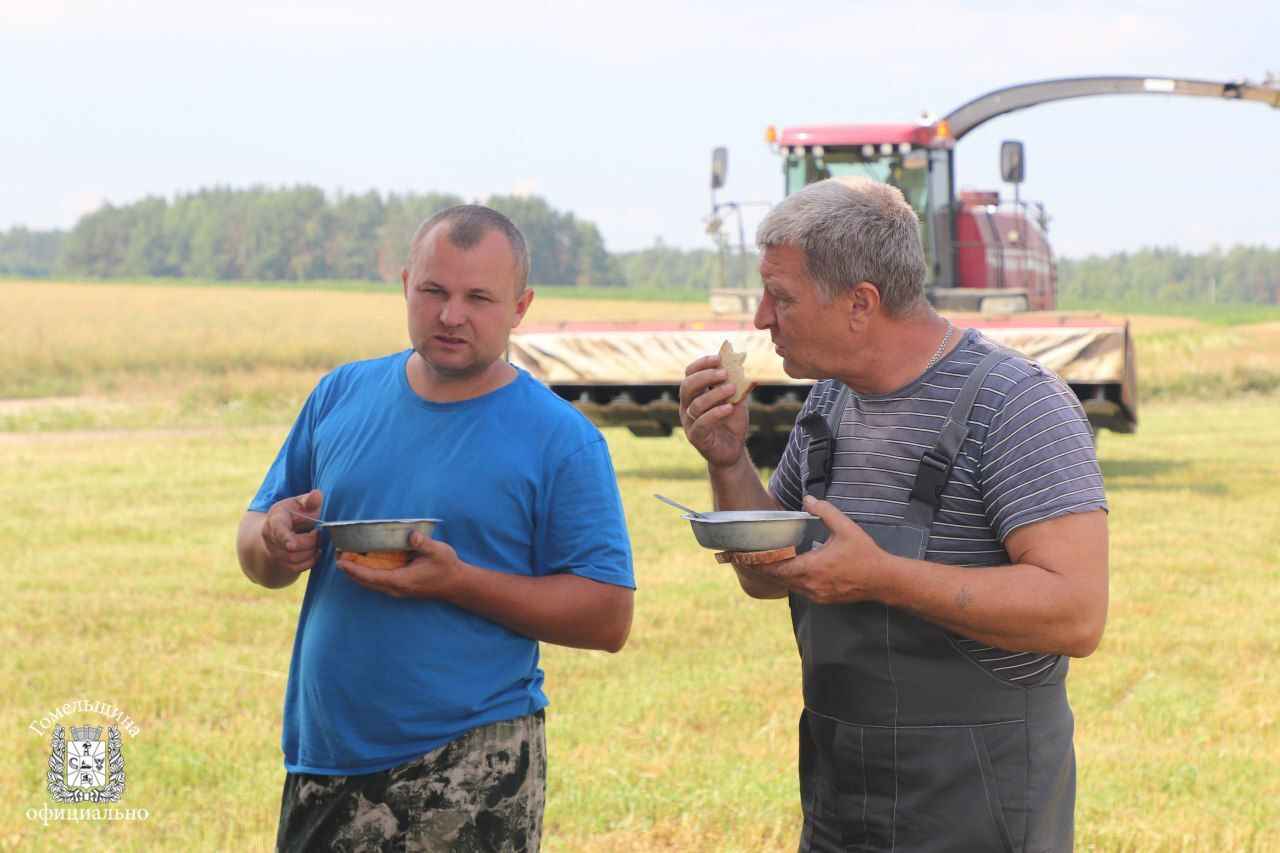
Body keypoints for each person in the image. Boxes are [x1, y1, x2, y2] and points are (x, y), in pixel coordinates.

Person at [678, 176, 1107, 852]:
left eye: (782, 297)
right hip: (840, 794)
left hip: (979, 802)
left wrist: (884, 578)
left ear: (860, 303)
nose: (761, 318)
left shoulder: (1016, 404)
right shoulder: (828, 403)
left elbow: (1076, 614)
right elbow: (765, 575)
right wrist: (729, 462)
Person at [236, 205, 635, 853]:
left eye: (478, 297)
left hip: (469, 766)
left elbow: (608, 617)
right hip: (324, 757)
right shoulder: (342, 394)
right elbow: (258, 543)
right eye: (433, 291)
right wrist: (274, 540)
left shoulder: (561, 439)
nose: (451, 315)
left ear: (520, 307)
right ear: (405, 285)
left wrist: (457, 582)